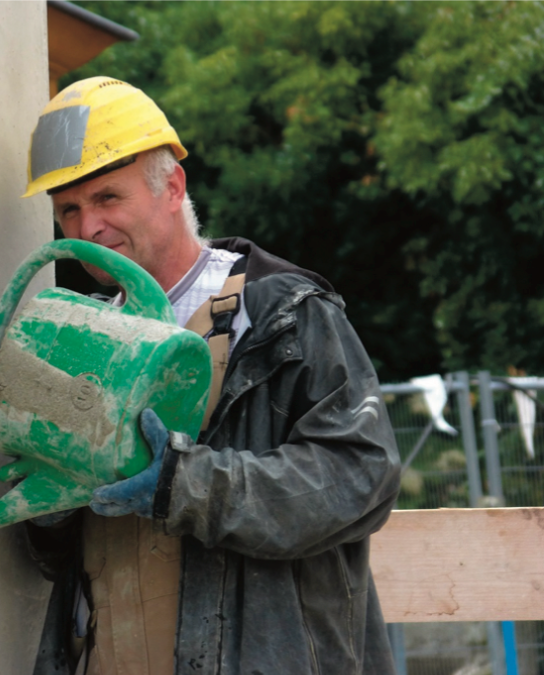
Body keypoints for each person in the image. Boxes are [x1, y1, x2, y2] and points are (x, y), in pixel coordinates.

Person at [21, 76, 401, 675]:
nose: (86, 228)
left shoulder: (283, 313)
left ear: (172, 187)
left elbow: (360, 476)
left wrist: (185, 484)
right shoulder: (80, 345)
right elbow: (58, 561)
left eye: (107, 199)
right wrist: (48, 507)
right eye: (69, 209)